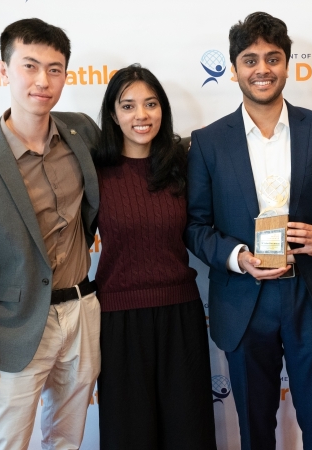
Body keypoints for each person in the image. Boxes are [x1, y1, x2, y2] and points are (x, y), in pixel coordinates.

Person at [184, 12, 312, 450]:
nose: (262, 69)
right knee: (254, 427)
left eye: (272, 58)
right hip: (244, 299)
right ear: (234, 69)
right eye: (250, 59)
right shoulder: (207, 141)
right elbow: (195, 226)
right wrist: (237, 257)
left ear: (287, 64)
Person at [0, 18, 101, 449]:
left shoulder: (81, 132)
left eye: (54, 69)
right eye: (29, 66)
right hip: (16, 326)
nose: (42, 81)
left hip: (83, 310)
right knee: (7, 442)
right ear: (2, 70)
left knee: (68, 439)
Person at [92, 64, 216, 450]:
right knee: (129, 434)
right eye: (128, 106)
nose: (141, 115)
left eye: (150, 104)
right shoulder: (93, 171)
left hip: (180, 315)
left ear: (163, 109)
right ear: (113, 115)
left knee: (188, 432)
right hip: (118, 323)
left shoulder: (184, 164)